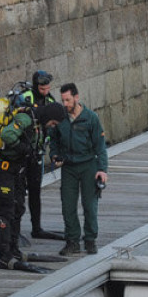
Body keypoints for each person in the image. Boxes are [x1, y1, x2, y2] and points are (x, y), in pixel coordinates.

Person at [0, 101, 51, 273]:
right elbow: (8, 135)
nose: (52, 126)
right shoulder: (26, 119)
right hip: (0, 169)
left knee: (18, 207)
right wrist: (24, 148)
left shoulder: (36, 123)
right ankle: (4, 256)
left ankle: (14, 250)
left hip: (14, 169)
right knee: (5, 211)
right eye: (53, 122)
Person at [48, 83, 109, 256]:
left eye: (68, 100)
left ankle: (90, 239)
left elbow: (100, 147)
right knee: (68, 205)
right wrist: (54, 155)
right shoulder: (60, 119)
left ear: (76, 97)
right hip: (68, 167)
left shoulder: (91, 118)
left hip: (88, 165)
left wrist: (102, 170)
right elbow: (53, 140)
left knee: (90, 204)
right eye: (63, 100)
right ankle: (72, 241)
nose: (65, 104)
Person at [18, 70, 65, 241]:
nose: (46, 91)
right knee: (19, 192)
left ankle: (36, 227)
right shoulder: (26, 97)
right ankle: (15, 228)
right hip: (21, 151)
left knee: (35, 191)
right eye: (42, 88)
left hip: (37, 151)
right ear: (36, 86)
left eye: (48, 88)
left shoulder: (50, 100)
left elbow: (54, 127)